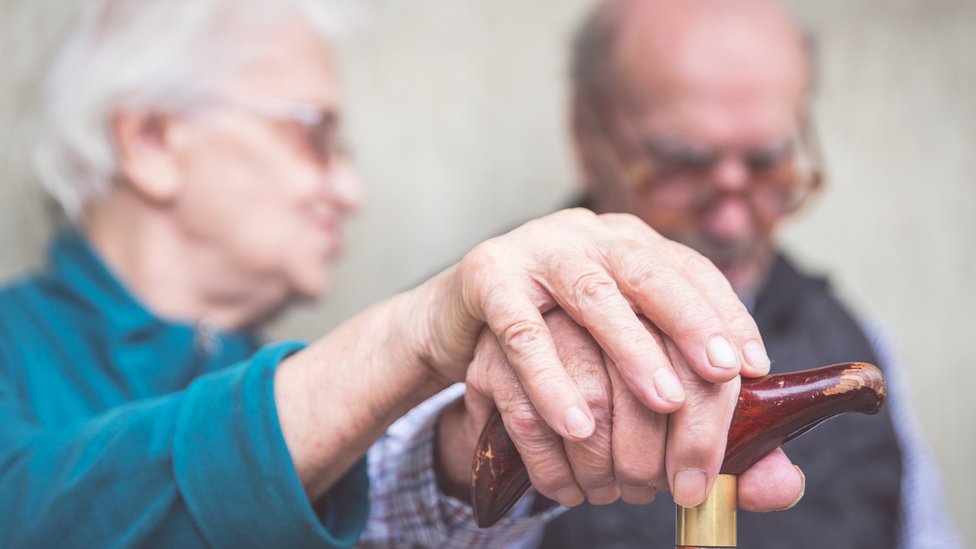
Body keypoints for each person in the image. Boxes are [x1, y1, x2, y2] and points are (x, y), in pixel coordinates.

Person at [0, 0, 805, 547]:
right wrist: (409, 335)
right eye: (314, 136)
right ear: (147, 139)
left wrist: (491, 436)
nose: (349, 191)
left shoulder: (254, 371)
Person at [534, 0, 962, 548]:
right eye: (683, 165)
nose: (733, 221)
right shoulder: (490, 349)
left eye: (766, 163)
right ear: (587, 134)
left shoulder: (858, 343)